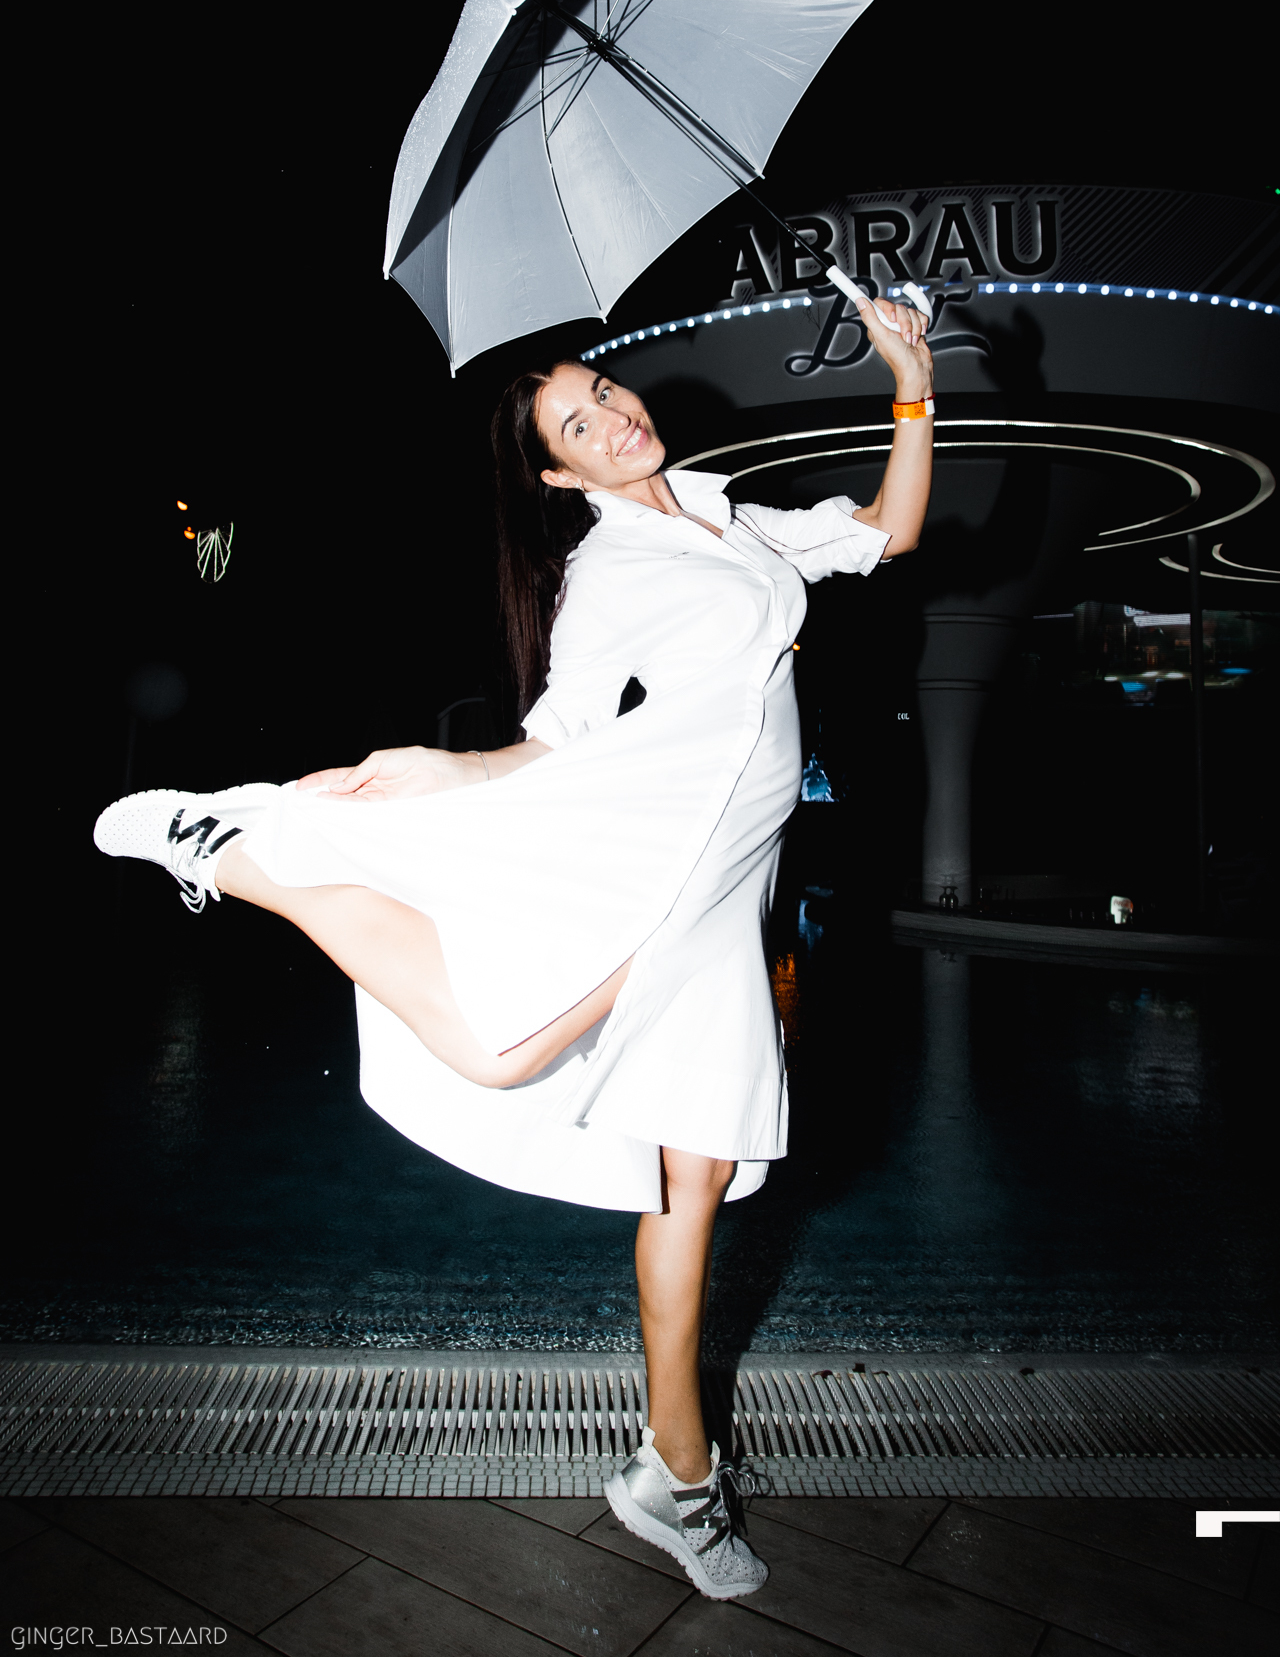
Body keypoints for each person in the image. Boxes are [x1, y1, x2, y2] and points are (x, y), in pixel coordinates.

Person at [95, 288, 934, 1599]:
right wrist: (451, 766)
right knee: (503, 1053)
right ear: (557, 474)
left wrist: (910, 380)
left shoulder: (723, 511)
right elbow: (562, 731)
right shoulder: (607, 572)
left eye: (604, 393)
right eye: (577, 427)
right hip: (668, 842)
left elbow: (887, 531)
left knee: (696, 1176)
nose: (613, 420)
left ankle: (674, 1474)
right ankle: (247, 851)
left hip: (736, 879)